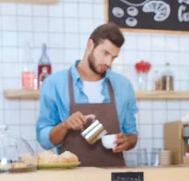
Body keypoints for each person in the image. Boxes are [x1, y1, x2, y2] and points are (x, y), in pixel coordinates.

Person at [36, 23, 138, 167]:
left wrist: (126, 142)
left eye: (113, 57)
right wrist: (65, 125)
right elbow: (44, 140)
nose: (108, 63)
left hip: (115, 179)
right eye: (105, 53)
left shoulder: (123, 85)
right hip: (71, 180)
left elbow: (132, 134)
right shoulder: (54, 84)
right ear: (90, 45)